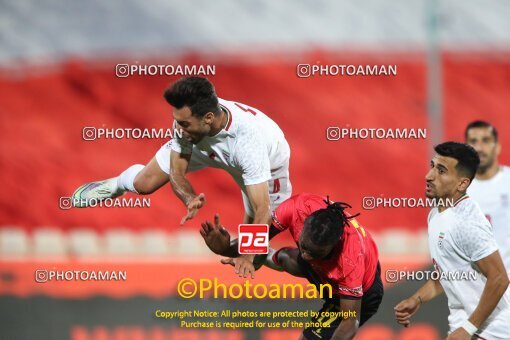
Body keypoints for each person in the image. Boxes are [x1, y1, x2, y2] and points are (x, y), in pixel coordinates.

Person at [71, 77, 292, 225]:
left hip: (264, 161)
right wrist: (188, 197)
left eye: (184, 123)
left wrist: (248, 255)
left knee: (265, 223)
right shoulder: (187, 125)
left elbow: (262, 206)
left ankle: (254, 258)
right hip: (203, 141)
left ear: (208, 119)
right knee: (143, 185)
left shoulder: (247, 141)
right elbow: (177, 171)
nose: (177, 128)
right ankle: (116, 185)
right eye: (176, 120)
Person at [201, 193, 383, 340]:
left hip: (361, 295)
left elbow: (350, 322)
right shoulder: (295, 208)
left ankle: (266, 257)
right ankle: (267, 256)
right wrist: (224, 248)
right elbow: (256, 239)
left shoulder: (350, 261)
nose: (305, 255)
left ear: (334, 245)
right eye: (303, 246)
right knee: (289, 257)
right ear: (303, 226)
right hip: (325, 274)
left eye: (314, 253)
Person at [394, 142, 510, 339]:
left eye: (441, 171)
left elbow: (499, 278)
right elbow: (449, 273)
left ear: (462, 183)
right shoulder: (435, 215)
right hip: (465, 327)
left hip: (492, 332)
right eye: (432, 166)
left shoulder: (467, 223)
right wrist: (417, 299)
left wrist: (468, 329)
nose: (429, 176)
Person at [465, 120, 510, 273]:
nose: (479, 148)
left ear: (497, 147)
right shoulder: (456, 188)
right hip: (471, 289)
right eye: (473, 141)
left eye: (485, 140)